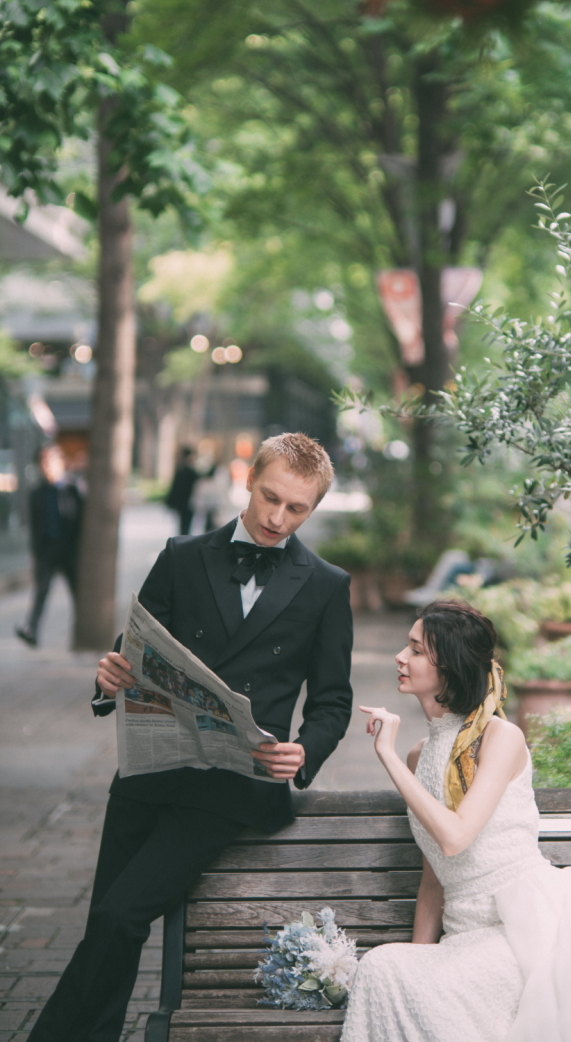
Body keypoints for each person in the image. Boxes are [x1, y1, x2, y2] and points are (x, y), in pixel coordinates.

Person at [29, 432, 353, 1042]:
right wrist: (109, 679)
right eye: (269, 497)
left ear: (314, 509)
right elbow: (134, 653)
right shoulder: (182, 555)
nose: (277, 518)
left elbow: (333, 697)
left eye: (296, 509)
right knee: (107, 920)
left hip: (233, 785)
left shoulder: (326, 584)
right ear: (248, 477)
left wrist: (305, 751)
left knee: (122, 916)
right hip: (151, 770)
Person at [343, 601, 571, 1042]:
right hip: (463, 939)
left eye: (415, 649)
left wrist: (386, 756)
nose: (399, 657)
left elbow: (455, 837)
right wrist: (419, 965)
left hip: (519, 929)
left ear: (448, 666)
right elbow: (435, 878)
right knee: (386, 969)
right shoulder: (418, 755)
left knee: (383, 967)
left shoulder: (499, 737)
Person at [15, 444, 83, 648]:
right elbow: (35, 525)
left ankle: (81, 633)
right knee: (41, 591)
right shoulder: (36, 491)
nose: (46, 466)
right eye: (42, 462)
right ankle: (32, 630)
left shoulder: (74, 488)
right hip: (47, 550)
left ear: (60, 462)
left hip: (70, 550)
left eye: (50, 461)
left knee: (78, 593)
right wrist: (35, 552)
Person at [165, 445, 198, 534]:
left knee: (184, 525)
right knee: (185, 525)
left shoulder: (184, 469)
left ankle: (183, 540)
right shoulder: (186, 469)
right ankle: (184, 540)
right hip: (186, 502)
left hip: (186, 502)